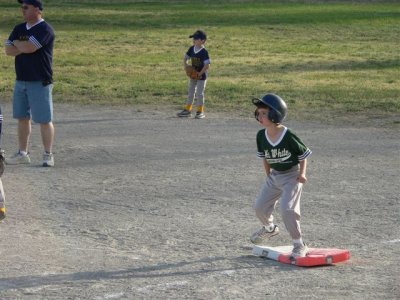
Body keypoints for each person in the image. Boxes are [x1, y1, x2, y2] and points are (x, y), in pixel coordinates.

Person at [250, 93, 312, 258]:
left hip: (292, 176)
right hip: (274, 176)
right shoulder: (261, 135)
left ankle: (299, 244)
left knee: (287, 210)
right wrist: (268, 175)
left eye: (264, 113)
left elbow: (303, 155)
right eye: (259, 113)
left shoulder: (287, 134)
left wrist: (302, 173)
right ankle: (270, 228)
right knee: (259, 207)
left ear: (275, 114)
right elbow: (264, 157)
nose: (260, 116)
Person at [4, 0, 55, 167]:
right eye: (22, 7)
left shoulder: (44, 29)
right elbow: (8, 50)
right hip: (21, 80)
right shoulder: (19, 28)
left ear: (37, 9)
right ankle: (22, 153)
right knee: (22, 118)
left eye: (26, 7)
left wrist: (19, 44)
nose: (22, 10)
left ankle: (48, 154)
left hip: (39, 80)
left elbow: (29, 48)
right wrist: (22, 45)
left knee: (44, 119)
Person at [177, 30, 211, 119]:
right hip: (193, 75)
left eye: (196, 39)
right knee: (191, 92)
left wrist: (200, 73)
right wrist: (186, 67)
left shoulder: (204, 52)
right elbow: (185, 58)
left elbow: (207, 65)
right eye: (194, 38)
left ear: (202, 41)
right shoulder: (192, 48)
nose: (194, 40)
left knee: (200, 93)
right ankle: (188, 109)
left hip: (202, 76)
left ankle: (200, 111)